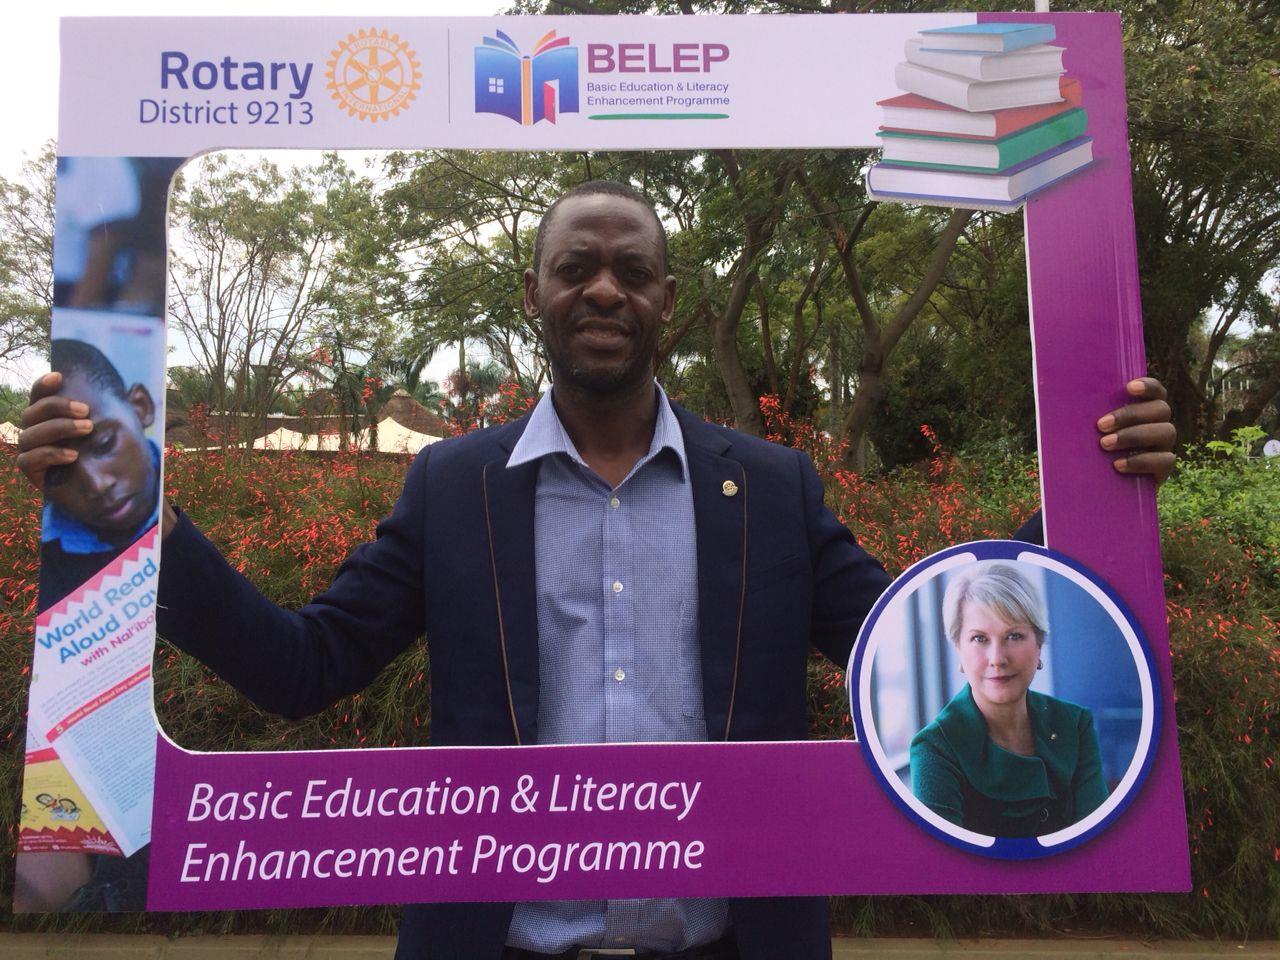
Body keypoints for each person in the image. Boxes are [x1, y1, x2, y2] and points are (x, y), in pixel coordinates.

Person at [19, 180, 1178, 958]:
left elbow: (925, 659)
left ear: (668, 299)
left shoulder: (771, 490)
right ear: (533, 295)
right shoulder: (452, 488)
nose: (604, 287)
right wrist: (131, 522)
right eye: (575, 266)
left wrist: (1091, 498)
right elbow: (300, 667)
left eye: (631, 269)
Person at [910, 562, 1107, 837]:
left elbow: (1100, 843)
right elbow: (942, 861)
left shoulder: (1075, 723)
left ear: (1039, 644)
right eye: (979, 638)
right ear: (958, 649)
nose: (997, 659)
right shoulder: (934, 747)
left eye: (1014, 636)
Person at [33, 338, 161, 612]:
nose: (97, 485)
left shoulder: (181, 509)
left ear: (141, 407)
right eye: (61, 472)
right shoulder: (50, 552)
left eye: (104, 444)